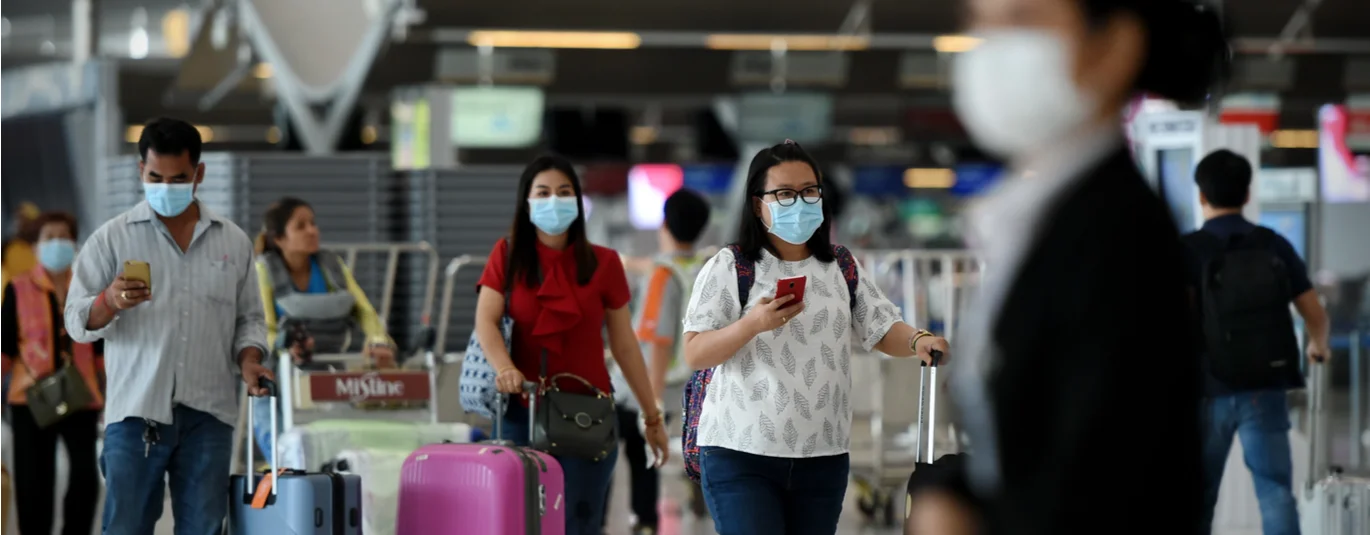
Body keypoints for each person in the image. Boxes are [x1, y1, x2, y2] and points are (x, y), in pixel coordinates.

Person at [947, 0, 1228, 533]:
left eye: (1022, 21)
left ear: (1114, 47)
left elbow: (1101, 483)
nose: (989, 48)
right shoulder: (1045, 217)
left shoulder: (1118, 234)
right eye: (978, 22)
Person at [681, 140, 951, 535]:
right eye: (785, 194)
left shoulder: (840, 265)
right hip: (740, 453)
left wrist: (916, 340)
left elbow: (879, 325)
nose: (801, 202)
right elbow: (695, 352)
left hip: (823, 455)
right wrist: (751, 324)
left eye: (810, 191)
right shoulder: (731, 266)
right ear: (759, 205)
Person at [64, 117, 271, 535]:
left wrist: (250, 361)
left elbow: (249, 319)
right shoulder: (111, 240)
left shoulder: (233, 243)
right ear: (141, 170)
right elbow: (75, 320)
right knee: (126, 527)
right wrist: (109, 301)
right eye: (155, 176)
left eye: (178, 179)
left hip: (209, 413)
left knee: (205, 527)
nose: (165, 187)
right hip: (136, 412)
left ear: (199, 174)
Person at [472, 154, 671, 535]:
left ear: (578, 202)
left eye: (564, 192)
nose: (554, 201)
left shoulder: (604, 263)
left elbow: (625, 344)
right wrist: (504, 367)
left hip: (588, 415)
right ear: (526, 202)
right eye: (543, 192)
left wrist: (651, 415)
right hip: (520, 411)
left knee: (580, 522)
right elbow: (486, 320)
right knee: (520, 522)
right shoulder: (507, 255)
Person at [1185, 150, 1330, 535]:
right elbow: (1314, 312)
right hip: (1264, 386)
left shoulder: (1187, 251)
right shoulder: (1273, 245)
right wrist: (1319, 346)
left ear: (1201, 195)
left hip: (1205, 389)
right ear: (1248, 194)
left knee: (1196, 497)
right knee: (1275, 492)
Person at [251, 196, 398, 464]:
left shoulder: (332, 266)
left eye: (313, 223)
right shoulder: (262, 271)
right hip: (277, 377)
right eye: (301, 226)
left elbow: (364, 311)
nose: (313, 230)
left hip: (327, 374)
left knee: (337, 451)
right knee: (286, 451)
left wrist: (379, 341)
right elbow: (265, 327)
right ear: (280, 238)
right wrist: (285, 346)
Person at [605, 189, 712, 534]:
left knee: (606, 452)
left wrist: (648, 404)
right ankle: (646, 521)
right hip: (672, 388)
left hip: (639, 388)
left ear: (663, 224)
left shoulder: (662, 277)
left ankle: (605, 521)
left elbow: (658, 342)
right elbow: (650, 263)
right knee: (644, 458)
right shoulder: (697, 267)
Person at [3, 211, 105, 535]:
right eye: (50, 238)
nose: (58, 244)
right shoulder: (18, 289)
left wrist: (112, 390)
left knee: (85, 479)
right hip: (30, 398)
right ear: (35, 246)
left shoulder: (88, 288)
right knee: (34, 483)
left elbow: (101, 348)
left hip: (81, 395)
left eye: (64, 237)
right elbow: (5, 347)